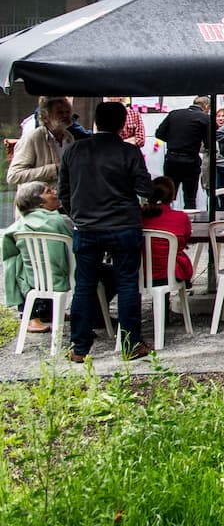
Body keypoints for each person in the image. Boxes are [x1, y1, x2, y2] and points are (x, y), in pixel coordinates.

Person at [60, 101, 156, 362]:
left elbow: (63, 193)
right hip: (123, 225)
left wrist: (78, 215)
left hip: (87, 227)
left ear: (96, 121)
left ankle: (79, 347)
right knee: (127, 284)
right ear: (123, 123)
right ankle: (131, 343)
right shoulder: (128, 152)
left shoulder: (73, 150)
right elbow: (145, 189)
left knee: (84, 285)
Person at [2, 182, 74, 333]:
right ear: (40, 202)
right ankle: (96, 316)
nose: (55, 192)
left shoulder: (17, 227)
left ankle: (42, 312)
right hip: (68, 276)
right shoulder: (62, 221)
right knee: (109, 275)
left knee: (18, 263)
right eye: (48, 191)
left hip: (32, 279)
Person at [155, 96, 213, 210]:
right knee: (190, 197)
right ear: (206, 106)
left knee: (168, 195)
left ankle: (167, 222)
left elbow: (159, 134)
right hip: (191, 161)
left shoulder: (174, 114)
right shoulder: (205, 118)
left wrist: (174, 141)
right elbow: (208, 144)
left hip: (171, 159)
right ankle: (189, 225)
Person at [7, 96, 74, 188]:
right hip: (37, 200)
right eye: (60, 112)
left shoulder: (69, 138)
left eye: (67, 112)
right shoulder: (33, 138)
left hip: (62, 199)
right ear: (45, 117)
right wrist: (54, 169)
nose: (65, 115)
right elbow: (13, 176)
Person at [142, 176, 193, 286]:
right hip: (169, 274)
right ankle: (164, 302)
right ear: (171, 196)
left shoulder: (141, 216)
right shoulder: (181, 218)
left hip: (140, 272)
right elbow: (184, 241)